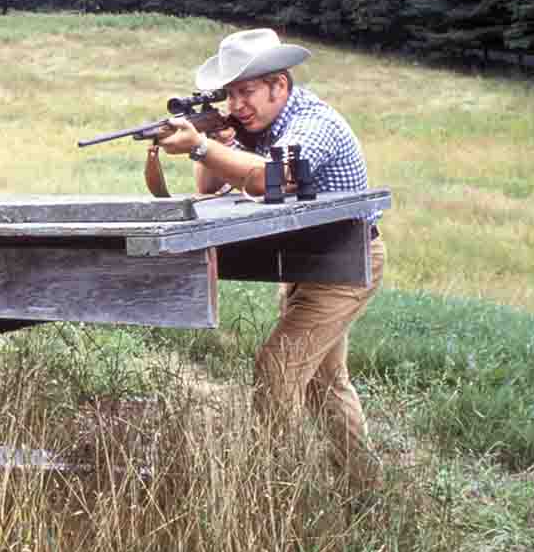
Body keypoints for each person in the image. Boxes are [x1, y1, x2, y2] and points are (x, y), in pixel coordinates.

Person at [156, 28, 386, 489]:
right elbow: (208, 187)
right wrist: (216, 138)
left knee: (277, 371)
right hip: (306, 263)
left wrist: (201, 145)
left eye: (247, 92)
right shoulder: (260, 126)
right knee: (324, 383)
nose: (237, 104)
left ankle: (278, 489)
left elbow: (268, 178)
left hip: (344, 262)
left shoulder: (313, 123)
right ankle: (364, 488)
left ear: (279, 85)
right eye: (230, 95)